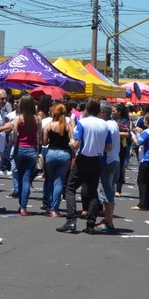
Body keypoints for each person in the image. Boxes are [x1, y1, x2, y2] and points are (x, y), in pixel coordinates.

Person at [56, 99, 111, 234]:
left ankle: (71, 220)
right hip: (96, 159)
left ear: (86, 108)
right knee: (92, 191)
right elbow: (109, 147)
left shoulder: (83, 123)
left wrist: (71, 142)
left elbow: (77, 144)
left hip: (83, 159)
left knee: (70, 188)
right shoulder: (105, 125)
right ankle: (90, 224)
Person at [12, 95, 41, 216]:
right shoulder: (37, 119)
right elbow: (39, 136)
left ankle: (21, 204)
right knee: (27, 178)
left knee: (19, 176)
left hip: (20, 149)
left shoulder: (18, 119)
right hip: (32, 149)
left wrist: (15, 143)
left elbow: (14, 135)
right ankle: (23, 206)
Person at [43, 103, 73, 217]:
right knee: (59, 182)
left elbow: (45, 142)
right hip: (64, 154)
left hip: (51, 153)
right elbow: (72, 140)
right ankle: (55, 209)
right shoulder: (67, 126)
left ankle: (49, 207)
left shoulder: (49, 125)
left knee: (49, 181)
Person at [96, 103, 120, 232]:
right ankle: (107, 219)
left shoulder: (106, 125)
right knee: (109, 190)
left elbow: (106, 145)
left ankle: (109, 222)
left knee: (106, 192)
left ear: (101, 112)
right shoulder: (113, 124)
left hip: (108, 161)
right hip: (114, 160)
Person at [131, 113, 149, 211]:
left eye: (144, 119)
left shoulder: (148, 131)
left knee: (142, 181)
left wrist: (133, 134)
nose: (143, 121)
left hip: (148, 159)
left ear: (147, 121)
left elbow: (138, 142)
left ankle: (142, 203)